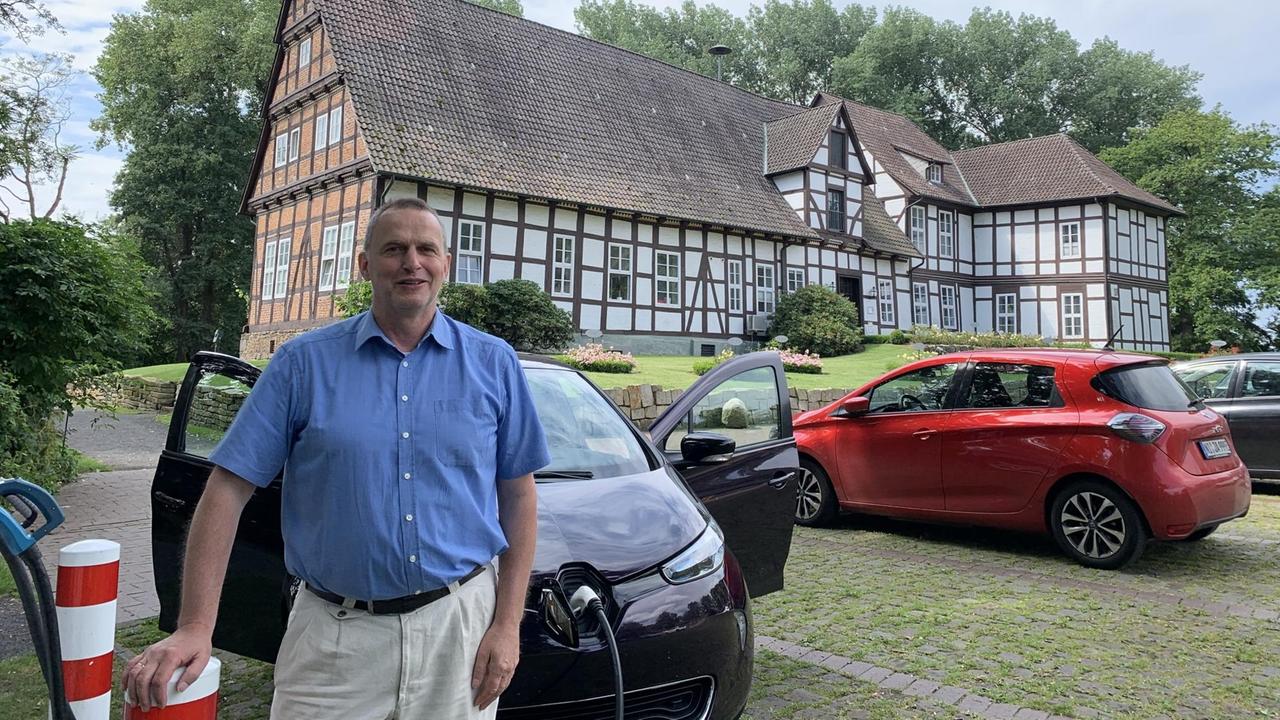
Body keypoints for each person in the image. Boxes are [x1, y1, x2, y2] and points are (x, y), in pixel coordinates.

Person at [123, 197, 550, 719]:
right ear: (366, 264)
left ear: (446, 264)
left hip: (459, 628)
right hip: (334, 636)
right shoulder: (304, 363)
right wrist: (195, 625)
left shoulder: (493, 362)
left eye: (426, 249)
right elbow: (227, 489)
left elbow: (518, 495)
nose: (411, 262)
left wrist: (507, 625)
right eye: (394, 249)